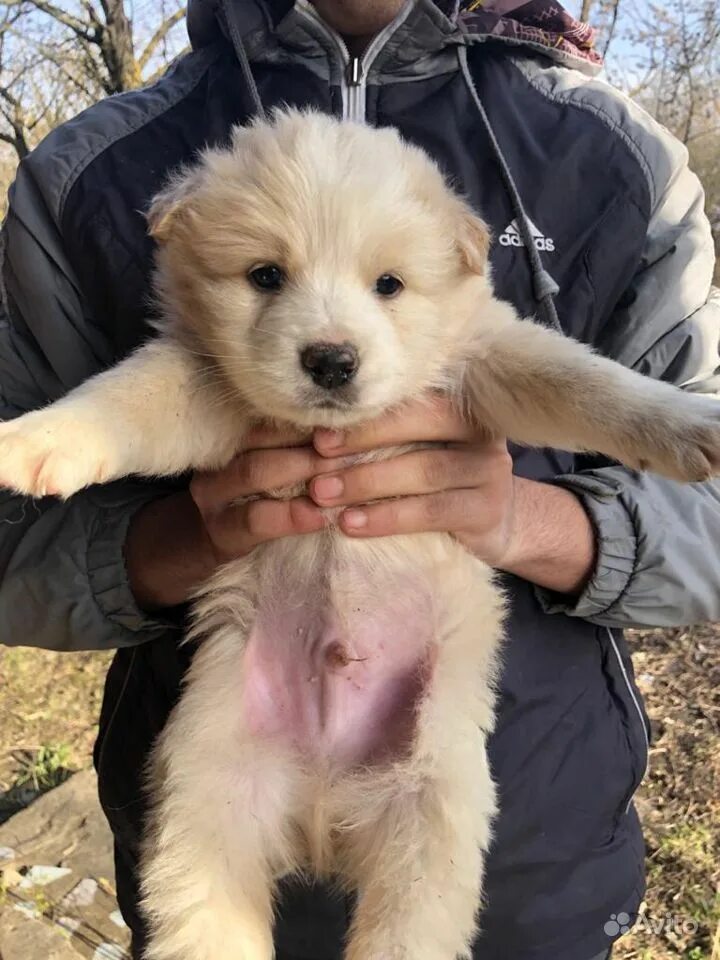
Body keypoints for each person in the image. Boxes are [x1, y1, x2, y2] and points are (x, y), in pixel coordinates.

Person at [0, 1, 718, 958]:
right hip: (251, 681)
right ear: (183, 240)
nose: (331, 341)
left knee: (429, 845)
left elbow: (543, 375)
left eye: (387, 286)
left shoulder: (612, 159)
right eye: (266, 277)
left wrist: (637, 436)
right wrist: (82, 447)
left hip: (455, 735)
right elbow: (163, 399)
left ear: (459, 260)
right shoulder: (93, 171)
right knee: (205, 856)